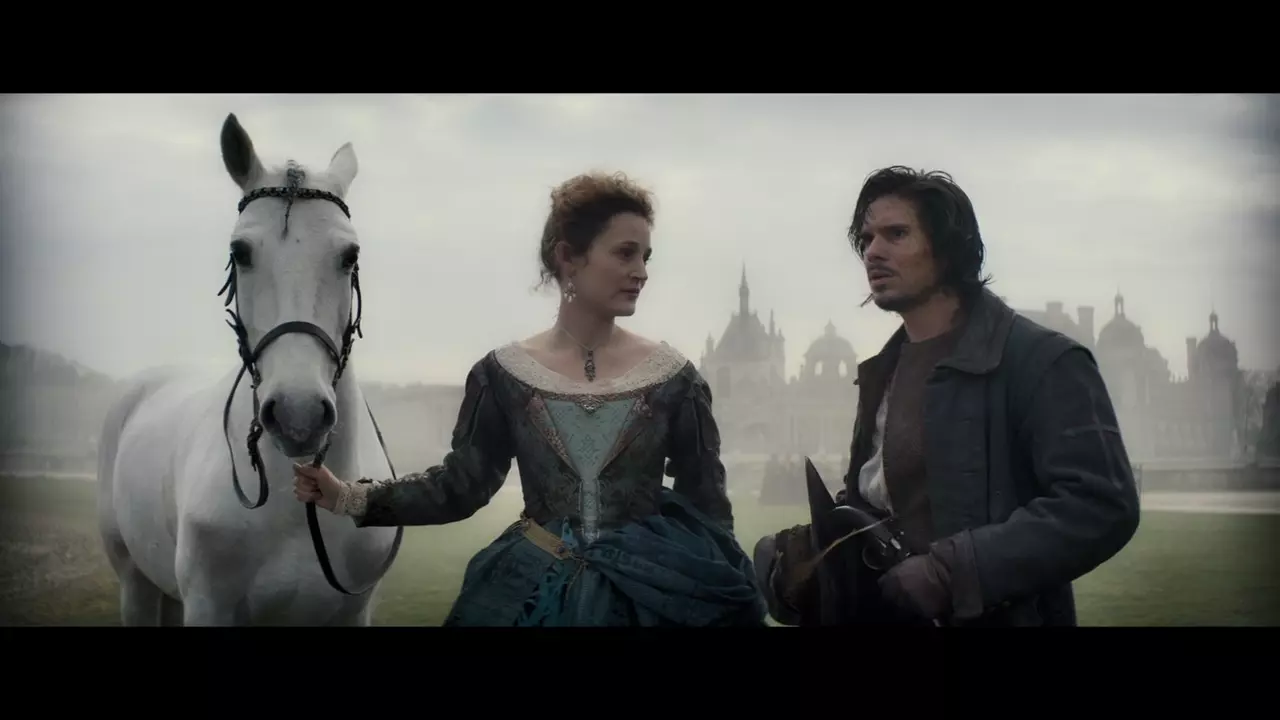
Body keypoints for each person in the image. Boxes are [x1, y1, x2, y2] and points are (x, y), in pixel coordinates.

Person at [293, 171, 767, 627]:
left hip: (653, 590)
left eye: (646, 257)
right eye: (626, 253)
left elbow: (708, 504)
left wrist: (721, 590)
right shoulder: (502, 374)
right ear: (568, 257)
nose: (641, 272)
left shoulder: (674, 378)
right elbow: (462, 485)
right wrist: (350, 497)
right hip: (530, 586)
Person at [753, 166, 1141, 627]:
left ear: (948, 247)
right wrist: (825, 548)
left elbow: (1101, 505)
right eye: (868, 239)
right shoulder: (884, 369)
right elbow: (887, 500)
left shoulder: (1043, 360)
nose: (873, 251)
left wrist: (949, 573)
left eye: (896, 234)